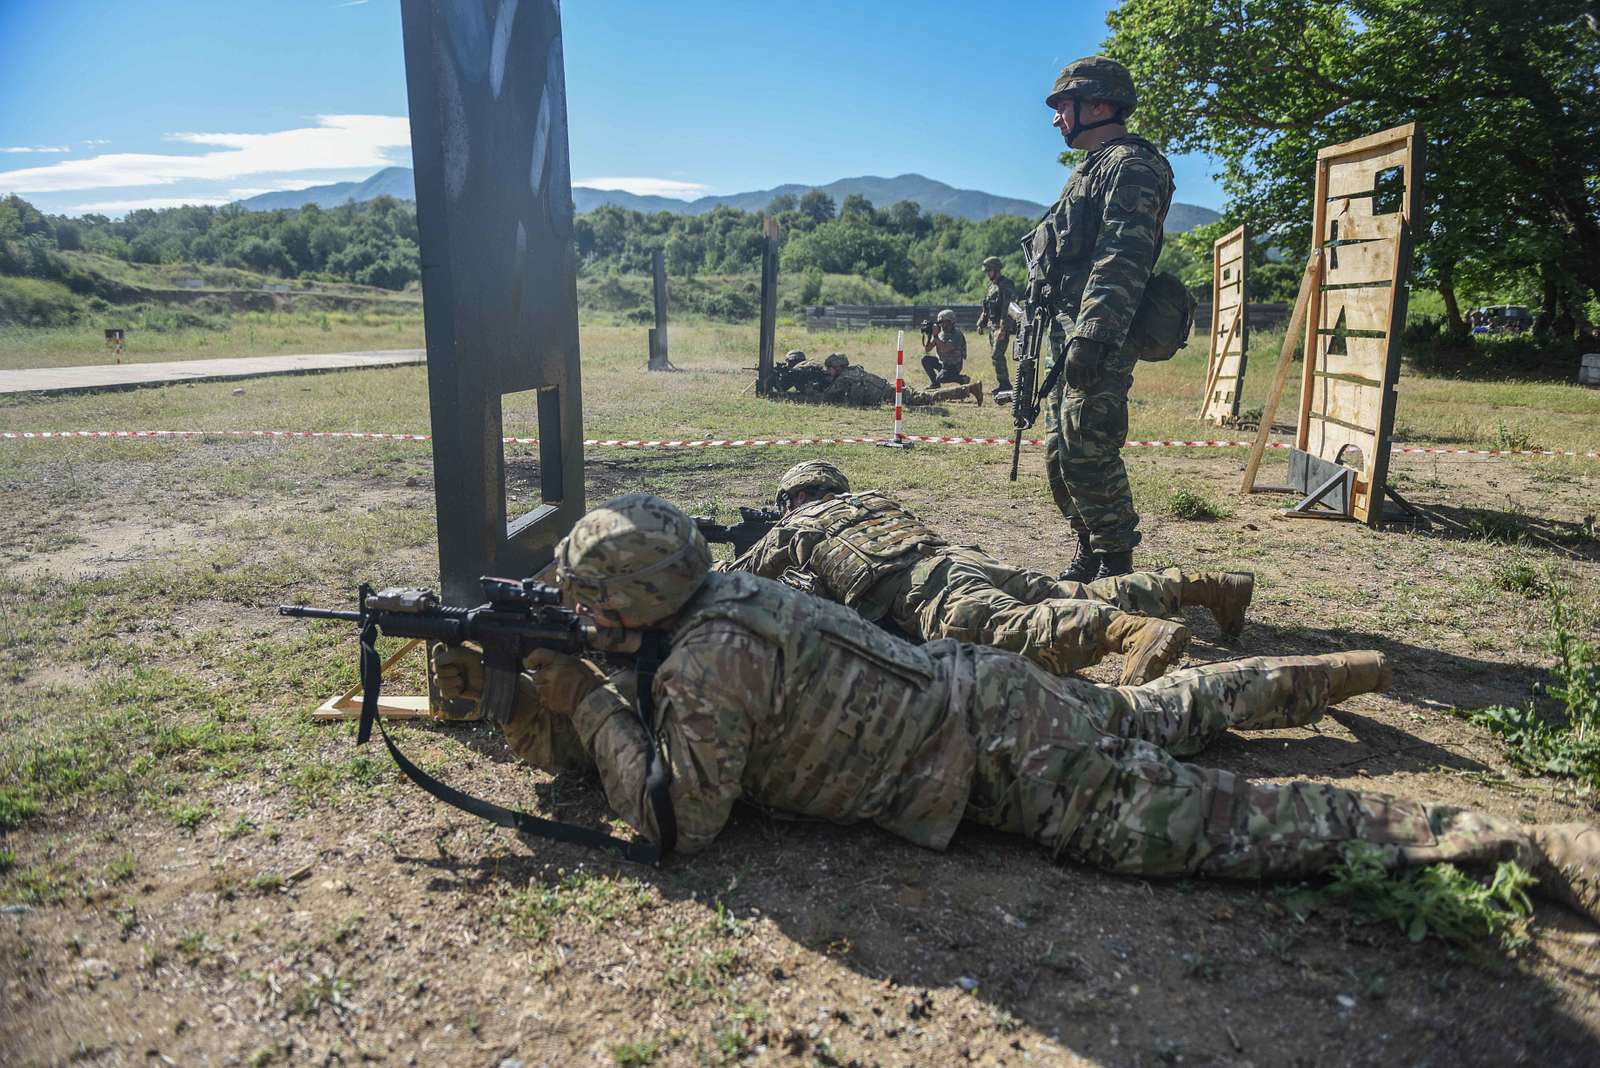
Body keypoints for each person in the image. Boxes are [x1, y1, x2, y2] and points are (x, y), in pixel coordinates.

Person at [432, 493, 1600, 928]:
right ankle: (1324, 673)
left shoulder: (700, 667)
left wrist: (578, 697)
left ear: (631, 607)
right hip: (983, 689)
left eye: (589, 611)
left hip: (1007, 762)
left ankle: (1525, 844)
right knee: (1160, 711)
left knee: (1224, 826)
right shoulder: (731, 594)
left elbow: (680, 824)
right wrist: (576, 676)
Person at [728, 459, 1252, 685]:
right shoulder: (869, 499)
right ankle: (1209, 586)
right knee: (1074, 589)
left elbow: (739, 579)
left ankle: (1133, 635)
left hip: (924, 586)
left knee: (1011, 629)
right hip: (965, 558)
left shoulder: (796, 526)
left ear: (794, 497)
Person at [1028, 56, 1172, 582]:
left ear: (1101, 105)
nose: (1056, 118)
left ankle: (1115, 564)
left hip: (1098, 331)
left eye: (1064, 105)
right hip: (1069, 329)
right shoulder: (1088, 170)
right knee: (1059, 453)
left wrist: (1093, 334)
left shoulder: (1131, 166)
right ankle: (1091, 546)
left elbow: (1122, 257)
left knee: (1086, 444)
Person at [784, 353, 982, 408]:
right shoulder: (852, 370)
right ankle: (968, 389)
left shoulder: (844, 378)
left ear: (838, 368)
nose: (828, 371)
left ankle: (969, 389)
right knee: (925, 394)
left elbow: (827, 398)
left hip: (891, 393)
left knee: (925, 399)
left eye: (831, 368)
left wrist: (806, 393)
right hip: (889, 388)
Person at [975, 256, 1018, 394]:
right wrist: (981, 323)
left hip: (1001, 327)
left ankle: (1005, 385)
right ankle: (1003, 384)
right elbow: (987, 307)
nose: (987, 274)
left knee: (997, 355)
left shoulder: (1006, 285)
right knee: (995, 356)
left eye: (989, 271)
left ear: (996, 270)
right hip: (992, 326)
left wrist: (1003, 328)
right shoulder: (991, 286)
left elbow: (1007, 308)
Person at [920, 309, 969, 387]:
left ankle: (962, 379)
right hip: (942, 363)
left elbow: (945, 349)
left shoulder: (957, 334)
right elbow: (927, 349)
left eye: (943, 322)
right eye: (940, 322)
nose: (941, 324)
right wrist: (929, 335)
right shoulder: (940, 334)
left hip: (953, 365)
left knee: (941, 378)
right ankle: (935, 384)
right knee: (925, 360)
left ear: (951, 321)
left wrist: (936, 336)